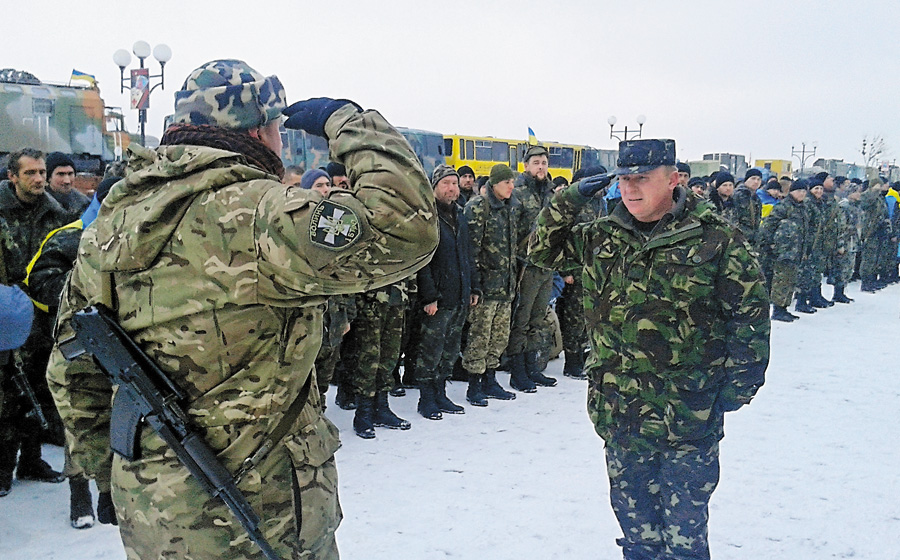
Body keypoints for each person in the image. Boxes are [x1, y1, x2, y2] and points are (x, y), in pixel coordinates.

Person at [46, 59, 438, 559]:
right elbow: (407, 228)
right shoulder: (260, 213)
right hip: (262, 516)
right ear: (260, 129)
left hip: (155, 514)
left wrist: (122, 473)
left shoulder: (112, 220)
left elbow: (72, 368)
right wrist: (349, 121)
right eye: (275, 128)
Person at [530, 139, 770, 560]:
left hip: (687, 419)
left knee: (684, 539)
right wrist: (569, 196)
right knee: (637, 534)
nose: (631, 189)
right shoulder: (602, 236)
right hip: (620, 413)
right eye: (623, 179)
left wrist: (726, 396)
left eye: (642, 178)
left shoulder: (716, 239)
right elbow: (538, 250)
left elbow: (749, 322)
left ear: (674, 179)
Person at [0, 148, 70, 497]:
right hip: (5, 316)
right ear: (13, 177)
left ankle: (31, 460)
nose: (40, 179)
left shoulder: (56, 214)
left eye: (42, 172)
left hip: (40, 319)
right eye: (30, 173)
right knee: (5, 395)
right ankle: (2, 467)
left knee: (38, 389)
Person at [414, 165, 478, 416]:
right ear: (434, 187)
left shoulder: (460, 214)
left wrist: (474, 287)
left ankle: (441, 393)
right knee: (431, 349)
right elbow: (423, 262)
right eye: (446, 183)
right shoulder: (428, 217)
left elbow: (467, 254)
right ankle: (426, 398)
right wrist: (429, 296)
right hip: (438, 298)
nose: (452, 188)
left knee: (450, 349)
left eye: (454, 183)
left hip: (459, 295)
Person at [462, 164, 519, 404]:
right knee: (479, 336)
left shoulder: (509, 208)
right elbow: (471, 250)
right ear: (494, 184)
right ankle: (474, 384)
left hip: (505, 285)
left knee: (499, 336)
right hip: (485, 287)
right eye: (507, 182)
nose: (511, 186)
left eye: (512, 182)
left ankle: (490, 379)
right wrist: (474, 286)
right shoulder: (478, 207)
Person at [507, 145, 557, 392]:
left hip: (546, 264)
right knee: (522, 319)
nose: (541, 167)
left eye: (544, 163)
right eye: (536, 162)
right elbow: (511, 230)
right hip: (525, 265)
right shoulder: (517, 192)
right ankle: (517, 372)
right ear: (526, 166)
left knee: (538, 318)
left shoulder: (550, 192)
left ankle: (532, 368)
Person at [757, 179, 810, 321]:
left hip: (796, 250)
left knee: (790, 280)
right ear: (792, 191)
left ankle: (785, 307)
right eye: (799, 191)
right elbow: (768, 226)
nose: (802, 194)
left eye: (804, 191)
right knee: (781, 280)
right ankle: (778, 309)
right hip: (783, 251)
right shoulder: (783, 207)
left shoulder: (803, 208)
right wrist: (770, 245)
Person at [732, 169, 763, 243]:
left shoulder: (756, 198)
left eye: (758, 179)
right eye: (753, 178)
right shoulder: (737, 195)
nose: (756, 182)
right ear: (746, 179)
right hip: (739, 239)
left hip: (752, 240)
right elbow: (733, 219)